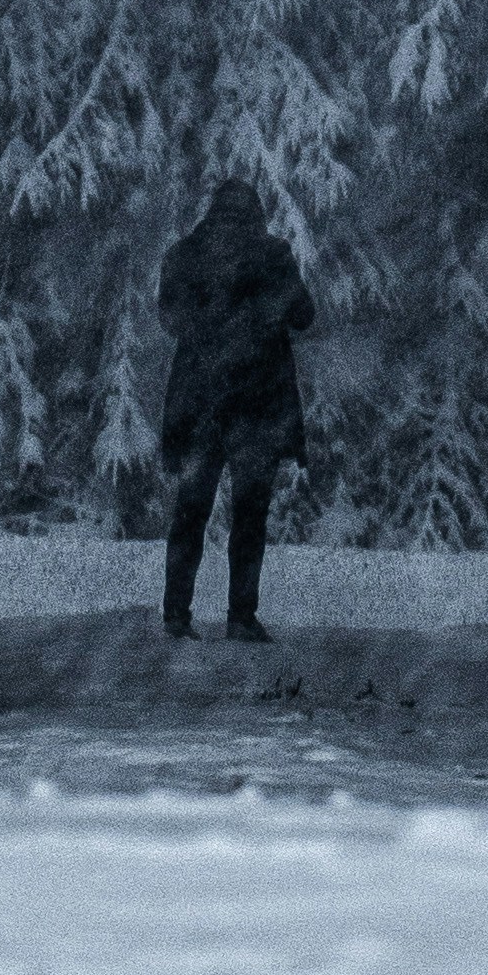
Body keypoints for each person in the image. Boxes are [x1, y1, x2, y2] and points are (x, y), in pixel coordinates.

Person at [156, 180, 314, 641]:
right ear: (256, 214)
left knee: (190, 512)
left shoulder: (183, 255)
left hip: (200, 405)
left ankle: (176, 615)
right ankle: (240, 617)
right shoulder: (273, 256)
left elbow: (170, 317)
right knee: (249, 516)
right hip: (257, 407)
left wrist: (213, 329)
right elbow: (304, 315)